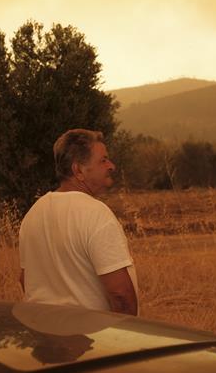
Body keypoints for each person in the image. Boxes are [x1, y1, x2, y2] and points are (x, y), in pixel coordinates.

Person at [19, 128, 138, 315]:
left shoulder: (34, 213)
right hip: (90, 339)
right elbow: (120, 294)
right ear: (79, 170)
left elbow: (26, 280)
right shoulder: (95, 213)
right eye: (103, 160)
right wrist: (124, 340)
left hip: (42, 334)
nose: (111, 166)